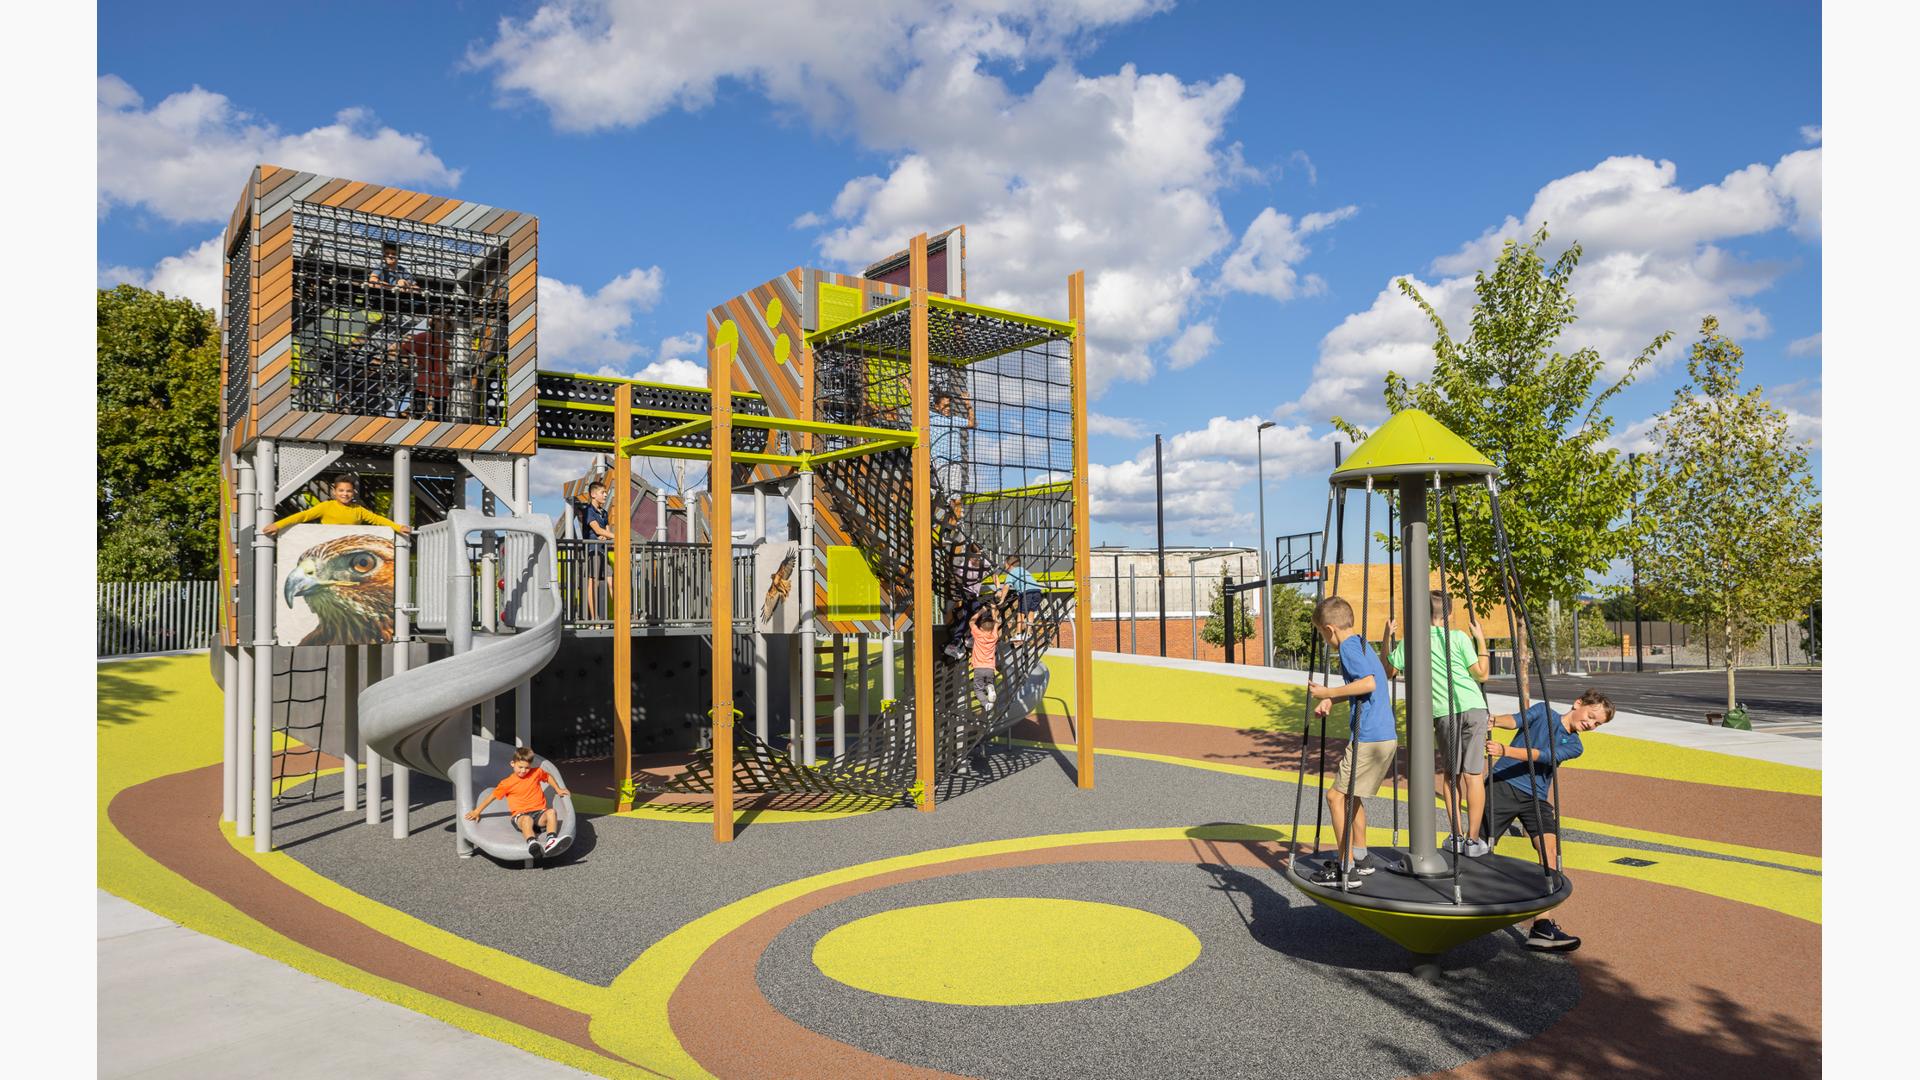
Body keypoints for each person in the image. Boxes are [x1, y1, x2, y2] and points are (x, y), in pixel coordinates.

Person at [1483, 687, 1613, 951]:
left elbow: (1542, 756)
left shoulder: (1575, 745)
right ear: (1578, 703)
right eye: (1591, 716)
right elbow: (1516, 720)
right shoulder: (1543, 711)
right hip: (1502, 786)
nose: (1591, 725)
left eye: (1597, 724)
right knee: (1478, 846)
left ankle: (1542, 926)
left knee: (1549, 853)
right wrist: (1495, 720)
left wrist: (1505, 750)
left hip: (1536, 798)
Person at [1384, 591, 1492, 856]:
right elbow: (1482, 674)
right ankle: (1473, 839)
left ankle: (1456, 835)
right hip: (1475, 707)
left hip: (1445, 713)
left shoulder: (1413, 641)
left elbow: (1390, 670)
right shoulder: (1459, 637)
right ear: (1451, 614)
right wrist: (1481, 641)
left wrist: (1387, 636)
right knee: (1474, 774)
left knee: (1451, 775)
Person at [1305, 595, 1396, 887]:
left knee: (1335, 797)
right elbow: (1369, 685)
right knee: (1351, 796)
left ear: (1329, 629)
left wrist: (1328, 693)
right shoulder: (1360, 643)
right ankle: (1361, 856)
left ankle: (1345, 868)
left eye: (1322, 634)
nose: (1324, 639)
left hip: (1368, 737)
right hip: (1385, 736)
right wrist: (1335, 701)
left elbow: (1368, 682)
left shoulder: (1346, 648)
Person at [465, 747, 571, 856]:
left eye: (527, 768)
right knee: (527, 819)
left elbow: (548, 777)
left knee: (551, 812)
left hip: (539, 814)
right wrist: (477, 811)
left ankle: (551, 841)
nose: (523, 771)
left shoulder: (537, 772)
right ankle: (532, 843)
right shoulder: (507, 783)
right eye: (520, 767)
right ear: (512, 763)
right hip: (521, 816)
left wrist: (558, 789)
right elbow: (492, 796)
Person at [264, 474, 412, 536]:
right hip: (327, 545)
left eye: (348, 491)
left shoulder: (359, 510)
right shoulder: (326, 506)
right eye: (341, 490)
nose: (345, 494)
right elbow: (302, 516)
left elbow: (379, 520)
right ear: (334, 492)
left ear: (353, 493)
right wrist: (278, 525)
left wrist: (399, 527)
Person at [391, 314, 453, 421]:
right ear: (433, 323)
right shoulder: (424, 337)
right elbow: (404, 348)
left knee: (440, 414)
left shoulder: (446, 344)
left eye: (446, 324)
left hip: (442, 382)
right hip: (425, 379)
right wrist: (409, 360)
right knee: (418, 410)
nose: (443, 325)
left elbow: (444, 362)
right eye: (440, 322)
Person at [572, 481, 614, 621]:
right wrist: (616, 536)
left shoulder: (604, 512)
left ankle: (622, 616)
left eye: (605, 492)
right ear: (593, 494)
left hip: (603, 551)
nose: (605, 495)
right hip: (593, 551)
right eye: (603, 492)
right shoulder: (589, 511)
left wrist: (606, 536)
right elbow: (597, 530)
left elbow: (606, 532)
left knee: (611, 581)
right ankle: (594, 618)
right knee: (593, 582)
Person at [931, 389, 975, 495]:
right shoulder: (931, 417)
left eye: (949, 405)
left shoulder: (955, 420)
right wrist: (908, 387)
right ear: (937, 406)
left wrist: (968, 404)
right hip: (938, 461)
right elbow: (918, 408)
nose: (947, 408)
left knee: (954, 497)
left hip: (955, 463)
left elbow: (971, 423)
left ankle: (955, 509)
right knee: (932, 495)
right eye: (944, 405)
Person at [1000, 555, 1044, 642]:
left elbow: (1006, 586)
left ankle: (1019, 634)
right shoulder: (1024, 570)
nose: (1005, 568)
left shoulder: (1012, 573)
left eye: (1005, 565)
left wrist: (1002, 599)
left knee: (1020, 614)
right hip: (1037, 591)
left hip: (1026, 593)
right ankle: (1027, 633)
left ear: (1009, 565)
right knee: (1031, 612)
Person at [968, 604, 1001, 712]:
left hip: (979, 668)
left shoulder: (978, 634)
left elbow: (971, 621)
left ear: (981, 628)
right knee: (989, 683)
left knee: (978, 689)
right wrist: (993, 610)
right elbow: (996, 622)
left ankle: (986, 704)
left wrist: (982, 611)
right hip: (990, 668)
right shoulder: (994, 636)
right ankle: (990, 686)